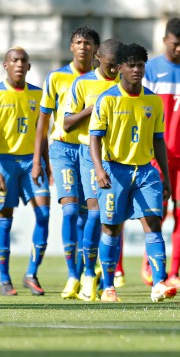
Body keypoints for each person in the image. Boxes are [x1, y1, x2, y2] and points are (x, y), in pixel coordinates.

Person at [88, 43, 178, 303]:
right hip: (114, 170)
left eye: (140, 64)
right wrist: (99, 168)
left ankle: (159, 283)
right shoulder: (108, 99)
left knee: (153, 225)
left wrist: (166, 176)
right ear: (119, 69)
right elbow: (95, 138)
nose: (137, 69)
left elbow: (159, 140)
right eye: (131, 65)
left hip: (146, 171)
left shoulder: (153, 100)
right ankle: (107, 287)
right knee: (112, 228)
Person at [35, 26, 100, 299]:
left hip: (89, 150)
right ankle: (73, 274)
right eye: (78, 42)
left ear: (96, 49)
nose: (83, 46)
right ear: (70, 47)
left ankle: (88, 272)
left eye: (87, 42)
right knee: (70, 212)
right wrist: (39, 158)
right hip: (62, 150)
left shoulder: (102, 80)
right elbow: (44, 119)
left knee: (90, 215)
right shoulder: (56, 78)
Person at [0, 48, 50, 296]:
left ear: (29, 67)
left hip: (31, 163)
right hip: (4, 163)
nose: (19, 64)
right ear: (5, 65)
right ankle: (4, 279)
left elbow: (42, 133)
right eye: (14, 60)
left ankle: (31, 274)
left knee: (44, 215)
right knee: (5, 220)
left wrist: (43, 162)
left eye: (23, 61)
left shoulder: (39, 95)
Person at [143, 18, 180, 289]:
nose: (179, 49)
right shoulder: (150, 70)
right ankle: (150, 264)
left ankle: (174, 271)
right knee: (158, 211)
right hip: (158, 153)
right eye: (175, 44)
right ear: (165, 40)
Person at [62, 39, 122, 301]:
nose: (114, 71)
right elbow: (66, 124)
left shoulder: (126, 83)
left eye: (118, 66)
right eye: (110, 65)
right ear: (98, 58)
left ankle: (106, 279)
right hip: (91, 154)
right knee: (95, 213)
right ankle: (87, 274)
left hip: (120, 158)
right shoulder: (83, 83)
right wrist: (91, 110)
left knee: (113, 220)